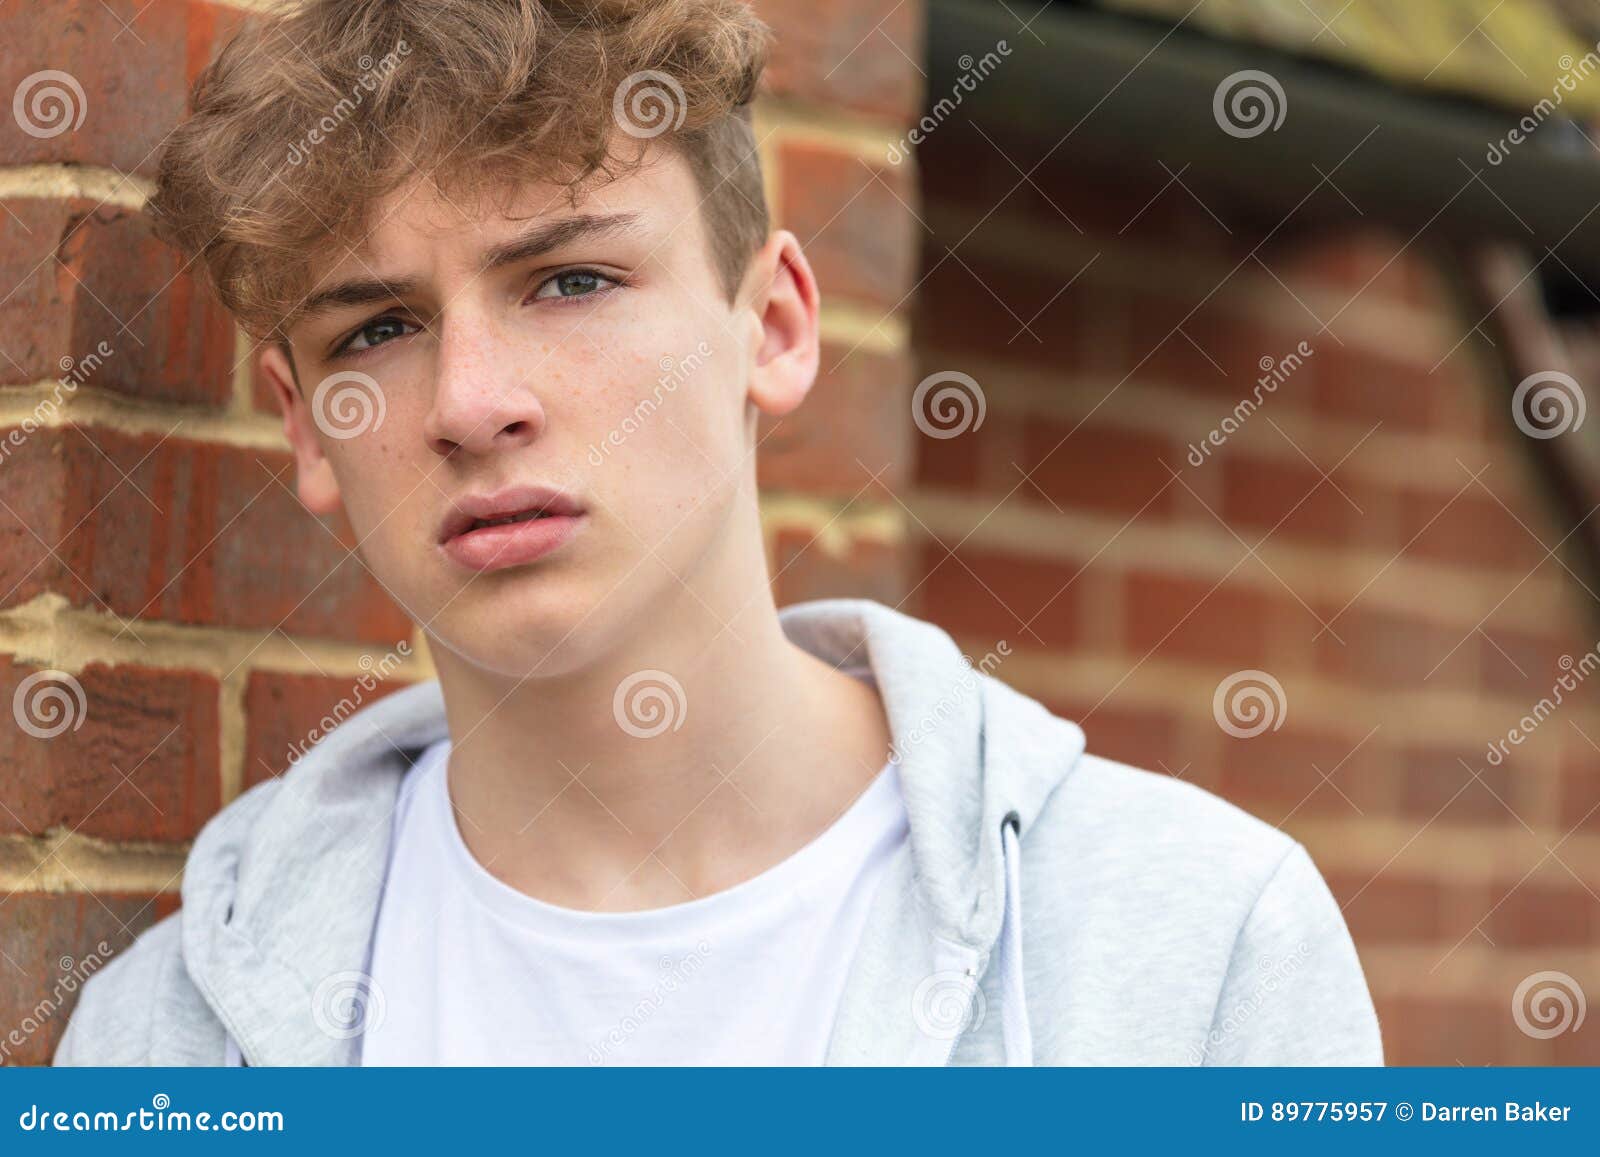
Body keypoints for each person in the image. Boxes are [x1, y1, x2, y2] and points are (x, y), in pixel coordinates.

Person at [54, 0, 1381, 1067]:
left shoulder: (1199, 950)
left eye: (569, 280)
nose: (470, 402)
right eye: (379, 329)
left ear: (778, 326)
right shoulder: (166, 1047)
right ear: (305, 425)